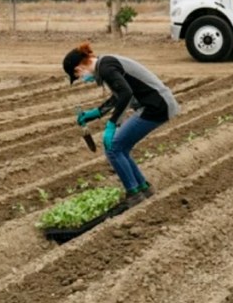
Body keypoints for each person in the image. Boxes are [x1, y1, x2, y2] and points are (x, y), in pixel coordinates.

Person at [64, 41, 180, 206]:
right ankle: (143, 188)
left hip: (156, 106)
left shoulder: (106, 68)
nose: (83, 79)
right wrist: (96, 113)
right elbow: (119, 94)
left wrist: (112, 124)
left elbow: (126, 93)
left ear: (79, 69)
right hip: (157, 104)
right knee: (121, 147)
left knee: (114, 148)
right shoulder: (106, 64)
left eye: (79, 76)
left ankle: (133, 194)